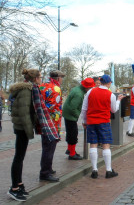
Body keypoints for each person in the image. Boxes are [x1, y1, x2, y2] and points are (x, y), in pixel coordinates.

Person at [7, 69, 59, 202]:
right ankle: (14, 188)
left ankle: (19, 184)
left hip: (22, 127)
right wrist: (29, 131)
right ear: (35, 79)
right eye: (40, 77)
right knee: (19, 157)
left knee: (20, 156)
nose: (41, 79)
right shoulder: (27, 91)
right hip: (22, 128)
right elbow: (25, 113)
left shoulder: (31, 89)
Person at [81, 74, 125, 179]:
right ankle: (108, 170)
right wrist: (118, 100)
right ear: (109, 83)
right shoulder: (110, 94)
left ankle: (94, 170)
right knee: (106, 145)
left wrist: (84, 121)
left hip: (91, 122)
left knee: (93, 144)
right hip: (104, 122)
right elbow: (114, 110)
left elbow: (84, 108)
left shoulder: (90, 91)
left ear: (100, 81)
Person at [39, 70, 65, 182]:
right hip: (52, 123)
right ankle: (45, 172)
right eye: (61, 77)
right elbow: (54, 106)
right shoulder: (56, 89)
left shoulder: (42, 86)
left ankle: (47, 168)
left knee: (46, 146)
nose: (62, 79)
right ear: (58, 78)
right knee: (50, 147)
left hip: (43, 121)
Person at [63, 78, 95, 160]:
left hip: (67, 114)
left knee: (70, 133)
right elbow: (73, 108)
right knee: (73, 134)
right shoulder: (79, 94)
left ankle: (70, 150)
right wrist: (78, 116)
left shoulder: (77, 89)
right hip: (71, 116)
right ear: (87, 87)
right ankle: (72, 154)